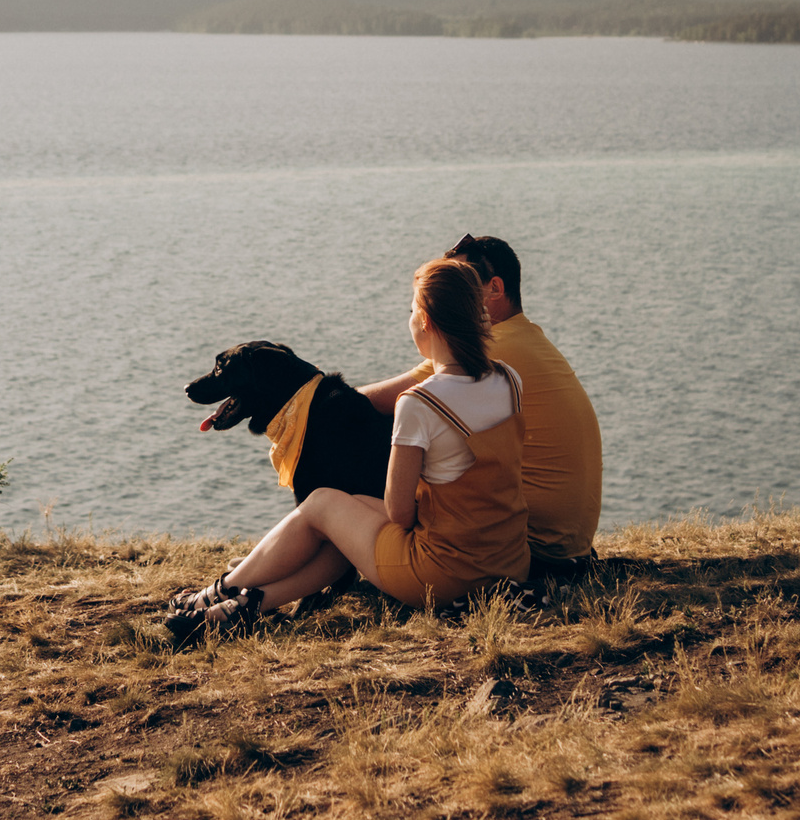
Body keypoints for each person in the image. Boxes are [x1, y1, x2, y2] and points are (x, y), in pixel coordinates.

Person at [166, 256, 528, 641]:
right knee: (342, 519)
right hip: (508, 560)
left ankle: (220, 590)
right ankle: (244, 606)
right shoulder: (510, 378)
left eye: (411, 310)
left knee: (323, 502)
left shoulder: (419, 403)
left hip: (446, 575)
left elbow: (400, 514)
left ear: (426, 322)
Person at [358, 234, 602, 567]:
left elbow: (374, 402)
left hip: (525, 544)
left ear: (495, 289)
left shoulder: (488, 348)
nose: (452, 297)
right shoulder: (524, 336)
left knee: (382, 423)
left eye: (463, 285)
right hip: (563, 542)